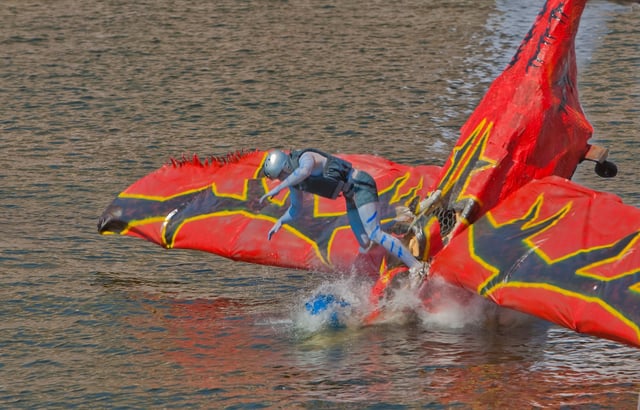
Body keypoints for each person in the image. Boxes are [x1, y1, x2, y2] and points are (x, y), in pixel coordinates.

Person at [259, 148, 425, 277]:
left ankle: (417, 267)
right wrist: (280, 221)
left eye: (280, 175)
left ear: (285, 166)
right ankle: (399, 227)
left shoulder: (305, 157)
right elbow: (296, 209)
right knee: (366, 243)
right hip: (350, 196)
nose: (280, 180)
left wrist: (278, 189)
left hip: (360, 185)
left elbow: (303, 171)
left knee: (374, 233)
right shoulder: (294, 182)